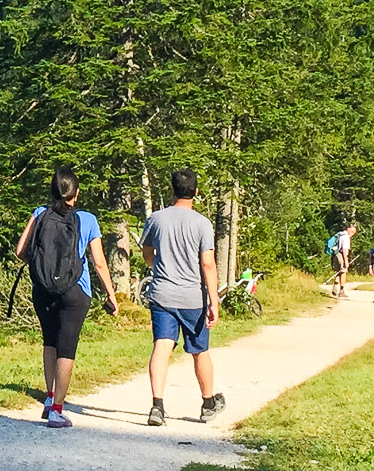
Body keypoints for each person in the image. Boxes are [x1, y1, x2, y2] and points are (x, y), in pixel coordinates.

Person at [14, 168, 121, 428]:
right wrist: (111, 294)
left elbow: (20, 250)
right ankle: (57, 411)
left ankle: (49, 399)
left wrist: (42, 271)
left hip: (42, 290)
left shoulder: (39, 214)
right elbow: (99, 263)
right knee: (67, 348)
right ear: (77, 193)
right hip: (75, 291)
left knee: (49, 341)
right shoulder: (88, 219)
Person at [141, 168, 225, 426]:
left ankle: (157, 406)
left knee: (162, 346)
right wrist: (214, 300)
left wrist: (158, 266)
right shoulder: (202, 223)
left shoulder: (156, 219)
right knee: (200, 351)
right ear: (196, 192)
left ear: (173, 189)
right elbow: (208, 264)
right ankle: (208, 403)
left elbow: (147, 252)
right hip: (192, 298)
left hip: (162, 294)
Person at [331, 221, 358, 298]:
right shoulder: (346, 238)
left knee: (338, 271)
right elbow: (345, 250)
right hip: (341, 255)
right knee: (343, 272)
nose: (352, 234)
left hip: (335, 254)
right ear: (348, 229)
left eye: (354, 233)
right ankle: (341, 291)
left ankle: (335, 287)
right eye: (352, 231)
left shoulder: (340, 235)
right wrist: (346, 261)